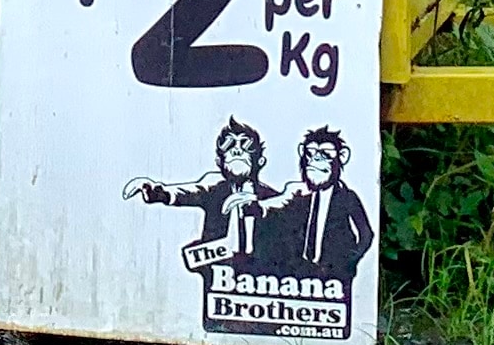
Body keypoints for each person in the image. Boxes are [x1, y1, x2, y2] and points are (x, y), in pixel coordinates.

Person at [127, 119, 275, 270]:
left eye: (245, 146)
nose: (237, 150)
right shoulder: (214, 186)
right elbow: (187, 192)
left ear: (261, 161)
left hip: (260, 280)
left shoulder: (270, 198)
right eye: (229, 146)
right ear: (219, 161)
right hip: (217, 273)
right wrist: (157, 193)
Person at [249, 127, 373, 281]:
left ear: (342, 156)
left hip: (335, 272)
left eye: (326, 154)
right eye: (311, 153)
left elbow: (366, 234)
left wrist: (349, 262)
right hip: (301, 272)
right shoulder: (301, 196)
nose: (316, 159)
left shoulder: (346, 197)